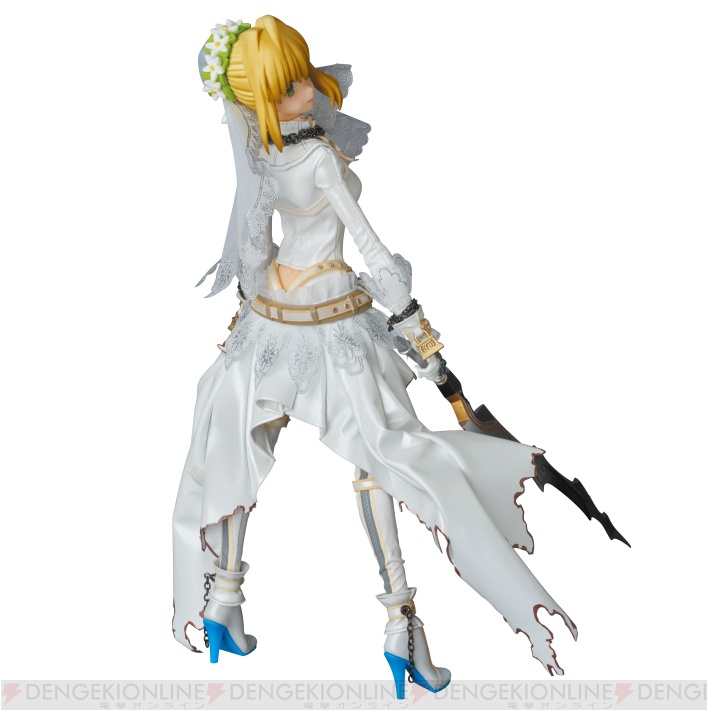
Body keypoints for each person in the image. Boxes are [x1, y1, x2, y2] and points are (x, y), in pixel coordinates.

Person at [172, 15, 578, 698]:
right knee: (381, 457)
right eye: (293, 85)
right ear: (266, 99)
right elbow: (368, 242)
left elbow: (252, 248)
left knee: (239, 446)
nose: (311, 88)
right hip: (333, 316)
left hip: (273, 317)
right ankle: (401, 625)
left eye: (302, 76)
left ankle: (224, 602)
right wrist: (414, 322)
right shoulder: (318, 158)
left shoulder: (264, 156)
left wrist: (264, 297)